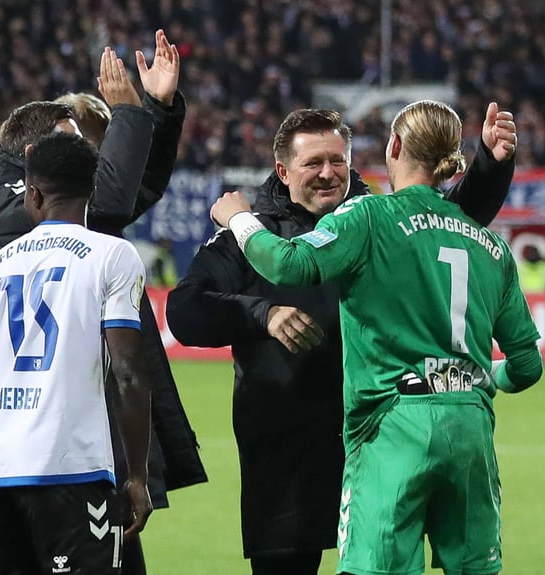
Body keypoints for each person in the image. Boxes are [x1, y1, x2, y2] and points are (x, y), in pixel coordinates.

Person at [167, 102, 520, 575]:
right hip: (286, 452)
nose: (329, 173)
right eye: (313, 162)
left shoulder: (377, 219)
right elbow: (185, 311)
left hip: (382, 439)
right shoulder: (250, 235)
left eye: (338, 161)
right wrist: (261, 314)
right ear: (283, 170)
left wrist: (491, 167)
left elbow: (450, 218)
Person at [0, 30, 204, 575]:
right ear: (33, 160)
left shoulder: (20, 244)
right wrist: (130, 114)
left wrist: (157, 112)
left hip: (55, 450)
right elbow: (113, 196)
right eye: (81, 149)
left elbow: (128, 193)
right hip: (65, 456)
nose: (93, 157)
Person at [0, 131, 152, 575]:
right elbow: (128, 373)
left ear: (34, 193)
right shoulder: (112, 256)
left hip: (5, 476)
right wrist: (137, 476)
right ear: (93, 189)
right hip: (77, 469)